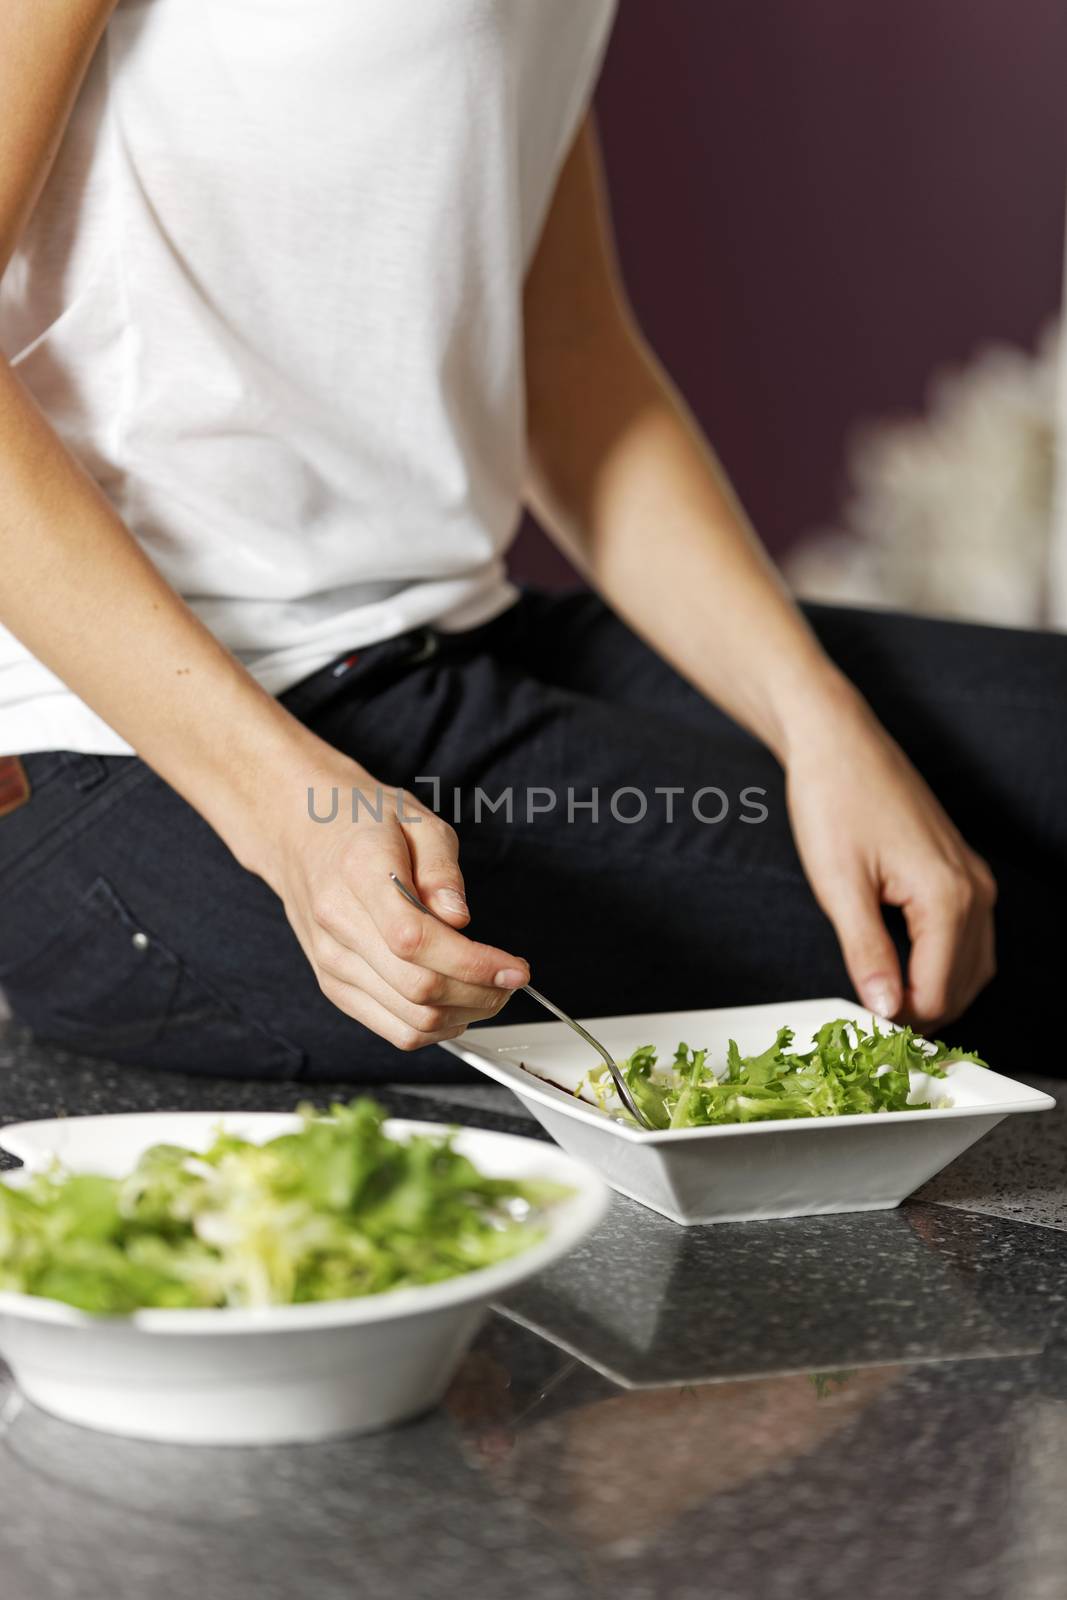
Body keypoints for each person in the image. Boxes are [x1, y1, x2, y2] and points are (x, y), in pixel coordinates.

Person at [0, 1, 1062, 1083]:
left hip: (452, 638)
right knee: (1021, 952)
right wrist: (286, 819)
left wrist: (822, 724)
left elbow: (570, 363)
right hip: (127, 760)